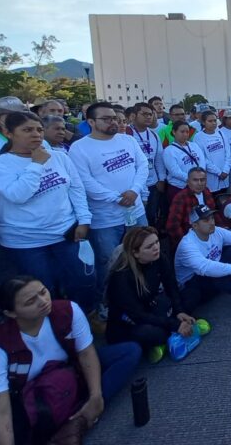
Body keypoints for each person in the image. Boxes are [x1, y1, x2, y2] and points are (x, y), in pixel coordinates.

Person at [0, 276, 141, 445]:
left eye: (43, 292)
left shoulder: (68, 310)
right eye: (30, 301)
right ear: (10, 313)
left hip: (69, 377)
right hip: (26, 405)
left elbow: (86, 353)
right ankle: (65, 423)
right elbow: (0, 412)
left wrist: (96, 396)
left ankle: (83, 413)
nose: (43, 301)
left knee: (129, 352)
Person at [0, 111, 96, 313]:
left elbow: (76, 188)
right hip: (26, 241)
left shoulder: (60, 157)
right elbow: (18, 195)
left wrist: (84, 220)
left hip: (65, 233)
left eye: (39, 129)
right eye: (27, 130)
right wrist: (36, 165)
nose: (36, 134)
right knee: (44, 288)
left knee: (83, 279)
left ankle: (82, 316)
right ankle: (53, 323)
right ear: (8, 133)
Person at [68, 102, 149, 317]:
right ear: (91, 122)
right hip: (105, 218)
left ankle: (144, 294)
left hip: (136, 210)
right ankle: (107, 303)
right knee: (108, 263)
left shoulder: (128, 140)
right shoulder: (80, 148)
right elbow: (84, 181)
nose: (113, 122)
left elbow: (142, 166)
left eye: (114, 117)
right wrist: (115, 198)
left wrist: (135, 190)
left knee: (144, 253)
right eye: (106, 118)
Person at [106, 227, 195, 361]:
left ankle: (170, 337)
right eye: (149, 246)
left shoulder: (159, 258)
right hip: (127, 324)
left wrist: (179, 311)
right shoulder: (121, 277)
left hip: (150, 307)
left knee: (188, 298)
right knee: (153, 334)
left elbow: (171, 286)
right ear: (136, 253)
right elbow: (137, 315)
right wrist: (175, 325)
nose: (156, 248)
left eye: (156, 242)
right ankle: (166, 338)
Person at [129, 103, 167, 228]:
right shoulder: (127, 135)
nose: (148, 117)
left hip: (153, 183)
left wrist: (161, 179)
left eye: (150, 114)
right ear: (133, 116)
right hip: (135, 186)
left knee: (152, 214)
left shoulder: (154, 135)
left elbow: (159, 159)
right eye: (144, 114)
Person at [166, 167, 218, 254]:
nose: (199, 183)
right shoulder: (180, 197)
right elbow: (173, 226)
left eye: (202, 180)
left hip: (207, 237)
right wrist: (186, 246)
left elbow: (213, 215)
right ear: (188, 181)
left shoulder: (206, 191)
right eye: (195, 180)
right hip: (190, 242)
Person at [163, 120, 205, 205]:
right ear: (174, 132)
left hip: (196, 186)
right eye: (182, 132)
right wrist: (193, 180)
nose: (185, 134)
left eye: (187, 132)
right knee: (181, 215)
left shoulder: (194, 145)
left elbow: (202, 161)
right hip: (179, 188)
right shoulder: (169, 150)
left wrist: (200, 177)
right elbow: (174, 171)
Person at [193, 111, 231, 194]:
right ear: (203, 122)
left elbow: (228, 153)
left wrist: (225, 170)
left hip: (225, 176)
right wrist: (218, 172)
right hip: (211, 178)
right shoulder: (198, 137)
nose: (213, 123)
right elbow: (202, 158)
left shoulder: (221, 133)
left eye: (215, 120)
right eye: (210, 121)